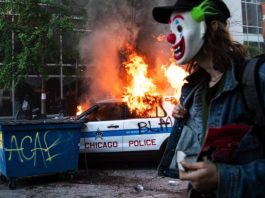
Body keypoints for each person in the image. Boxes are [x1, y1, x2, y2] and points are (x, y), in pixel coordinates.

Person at [153, 0, 265, 197]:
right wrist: (185, 121)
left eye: (180, 27)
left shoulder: (257, 78)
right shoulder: (194, 92)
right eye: (171, 29)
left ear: (212, 28)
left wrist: (223, 178)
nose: (171, 37)